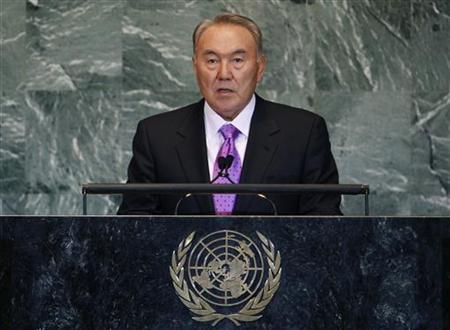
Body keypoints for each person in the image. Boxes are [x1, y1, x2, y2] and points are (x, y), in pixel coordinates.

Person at [118, 13, 342, 216]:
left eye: (237, 60)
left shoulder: (303, 134)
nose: (224, 74)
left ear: (260, 67)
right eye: (212, 60)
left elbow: (325, 227)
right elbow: (133, 228)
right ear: (195, 66)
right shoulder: (156, 136)